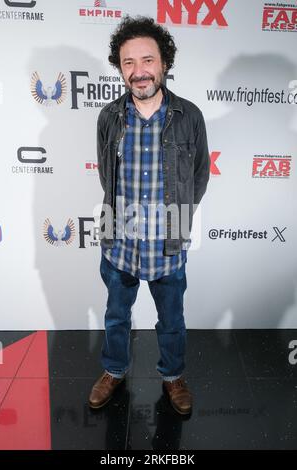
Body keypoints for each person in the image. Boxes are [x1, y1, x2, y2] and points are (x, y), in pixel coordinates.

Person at [89, 16, 210, 415]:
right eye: (128, 63)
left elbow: (199, 175)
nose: (139, 71)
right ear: (120, 68)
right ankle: (114, 369)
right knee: (115, 316)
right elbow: (108, 178)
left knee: (171, 321)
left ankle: (173, 377)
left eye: (147, 60)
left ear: (164, 63)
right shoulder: (109, 117)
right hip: (118, 240)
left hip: (168, 243)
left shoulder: (189, 116)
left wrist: (180, 220)